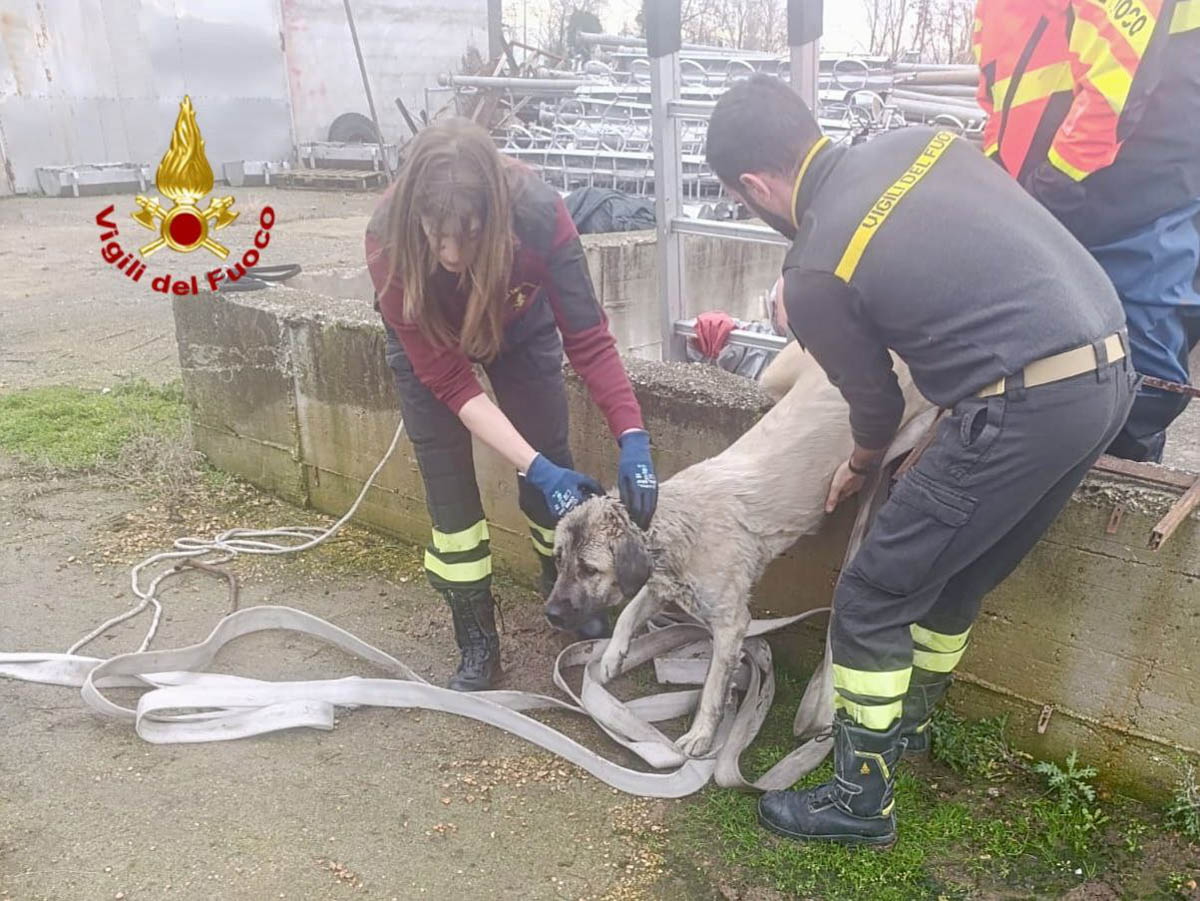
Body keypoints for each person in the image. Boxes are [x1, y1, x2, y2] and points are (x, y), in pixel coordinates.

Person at [704, 75, 1134, 846]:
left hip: (1021, 402)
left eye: (744, 204)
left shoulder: (813, 270)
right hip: (1106, 371)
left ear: (754, 186)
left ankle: (859, 798)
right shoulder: (916, 143)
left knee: (871, 594)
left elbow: (871, 404)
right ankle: (906, 729)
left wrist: (864, 462)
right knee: (955, 576)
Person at [365, 118, 658, 692]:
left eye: (468, 234)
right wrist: (537, 467)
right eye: (436, 234)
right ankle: (476, 638)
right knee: (452, 501)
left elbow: (589, 338)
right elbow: (452, 385)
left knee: (548, 455)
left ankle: (567, 598)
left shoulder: (540, 215)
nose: (450, 254)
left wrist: (633, 435)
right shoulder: (388, 239)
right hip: (429, 349)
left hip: (518, 326)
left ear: (495, 216)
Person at [974, 0, 1200, 462]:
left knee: (1141, 359)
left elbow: (1117, 79)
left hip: (1138, 180)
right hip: (1054, 187)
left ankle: (1115, 486)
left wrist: (1055, 181)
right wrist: (1001, 182)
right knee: (1046, 347)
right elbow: (1000, 97)